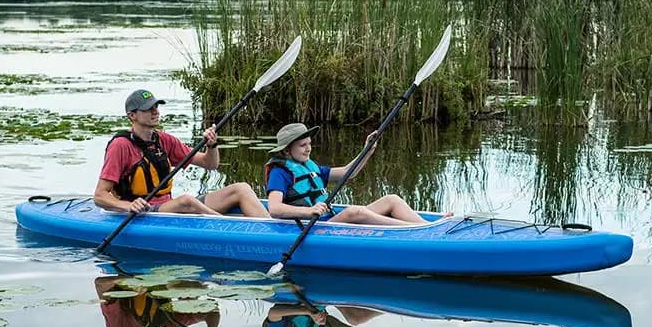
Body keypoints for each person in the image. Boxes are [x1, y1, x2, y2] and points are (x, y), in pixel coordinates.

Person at [94, 89, 269, 217]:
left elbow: (209, 164)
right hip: (145, 212)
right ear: (132, 116)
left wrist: (212, 145)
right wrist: (128, 206)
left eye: (156, 106)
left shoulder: (164, 140)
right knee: (187, 201)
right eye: (148, 109)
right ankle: (227, 227)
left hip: (167, 206)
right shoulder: (120, 145)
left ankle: (271, 229)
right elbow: (100, 196)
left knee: (241, 188)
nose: (155, 111)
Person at [264, 122, 448, 226]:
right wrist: (309, 210)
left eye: (309, 144)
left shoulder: (310, 167)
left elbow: (347, 173)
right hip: (314, 226)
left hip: (327, 220)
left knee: (391, 199)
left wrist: (367, 150)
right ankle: (415, 229)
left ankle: (426, 226)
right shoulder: (280, 173)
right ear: (287, 150)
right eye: (302, 145)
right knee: (354, 211)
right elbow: (274, 209)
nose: (308, 149)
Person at [95, 276, 221, 327]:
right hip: (167, 275)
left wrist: (129, 280)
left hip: (133, 269)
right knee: (191, 293)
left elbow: (100, 284)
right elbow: (211, 310)